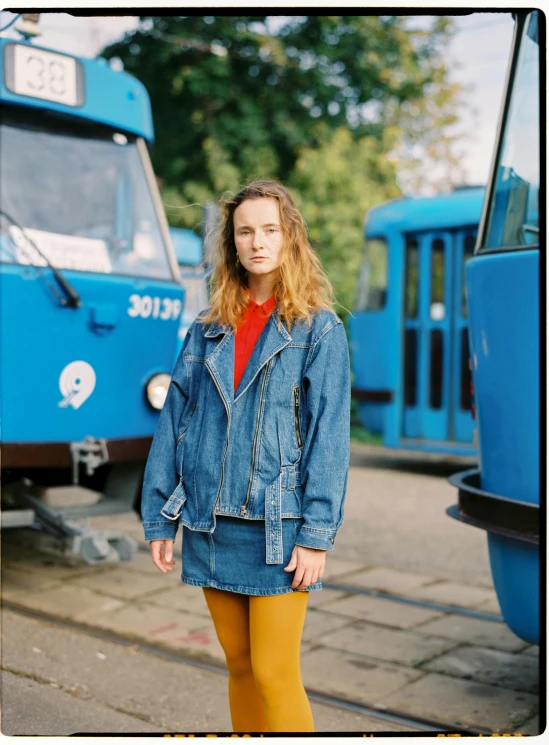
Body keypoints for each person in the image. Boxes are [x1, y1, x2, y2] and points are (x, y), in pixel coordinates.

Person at [141, 179, 351, 733]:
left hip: (277, 529)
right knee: (239, 667)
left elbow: (329, 438)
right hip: (209, 522)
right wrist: (160, 515)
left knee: (275, 673)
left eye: (269, 230)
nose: (257, 241)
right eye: (244, 231)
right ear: (231, 243)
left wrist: (316, 535)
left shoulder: (319, 331)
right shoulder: (208, 330)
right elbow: (174, 424)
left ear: (290, 238)